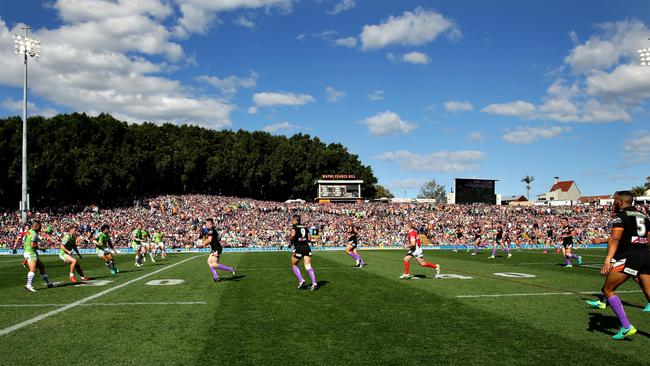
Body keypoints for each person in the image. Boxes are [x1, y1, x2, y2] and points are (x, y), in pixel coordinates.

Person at [589, 191, 650, 340]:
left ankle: (626, 326)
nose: (613, 203)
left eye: (615, 201)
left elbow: (615, 239)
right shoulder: (644, 217)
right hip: (646, 255)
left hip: (629, 256)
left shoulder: (620, 217)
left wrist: (608, 259)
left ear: (621, 202)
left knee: (608, 289)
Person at [289, 215, 318, 291]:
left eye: (292, 220)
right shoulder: (305, 227)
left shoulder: (293, 226)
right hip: (306, 247)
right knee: (308, 265)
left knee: (294, 264)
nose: (291, 221)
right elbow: (309, 238)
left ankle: (301, 280)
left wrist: (291, 241)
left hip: (299, 247)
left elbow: (292, 235)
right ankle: (314, 283)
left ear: (295, 220)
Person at [23, 221, 54, 292]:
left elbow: (25, 239)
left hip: (28, 251)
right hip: (30, 252)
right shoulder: (34, 234)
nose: (41, 228)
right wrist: (42, 249)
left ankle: (48, 283)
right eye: (40, 226)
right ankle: (28, 285)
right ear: (36, 226)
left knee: (41, 267)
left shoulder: (29, 231)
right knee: (33, 269)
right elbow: (33, 245)